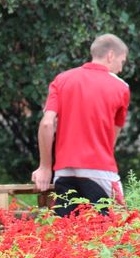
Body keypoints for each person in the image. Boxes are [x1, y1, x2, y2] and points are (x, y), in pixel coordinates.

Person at [31, 34, 131, 216]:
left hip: (64, 172)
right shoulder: (121, 87)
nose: (121, 68)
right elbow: (111, 140)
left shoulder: (62, 79)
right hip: (100, 171)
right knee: (115, 226)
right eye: (121, 61)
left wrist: (45, 167)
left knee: (68, 229)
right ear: (110, 55)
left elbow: (46, 124)